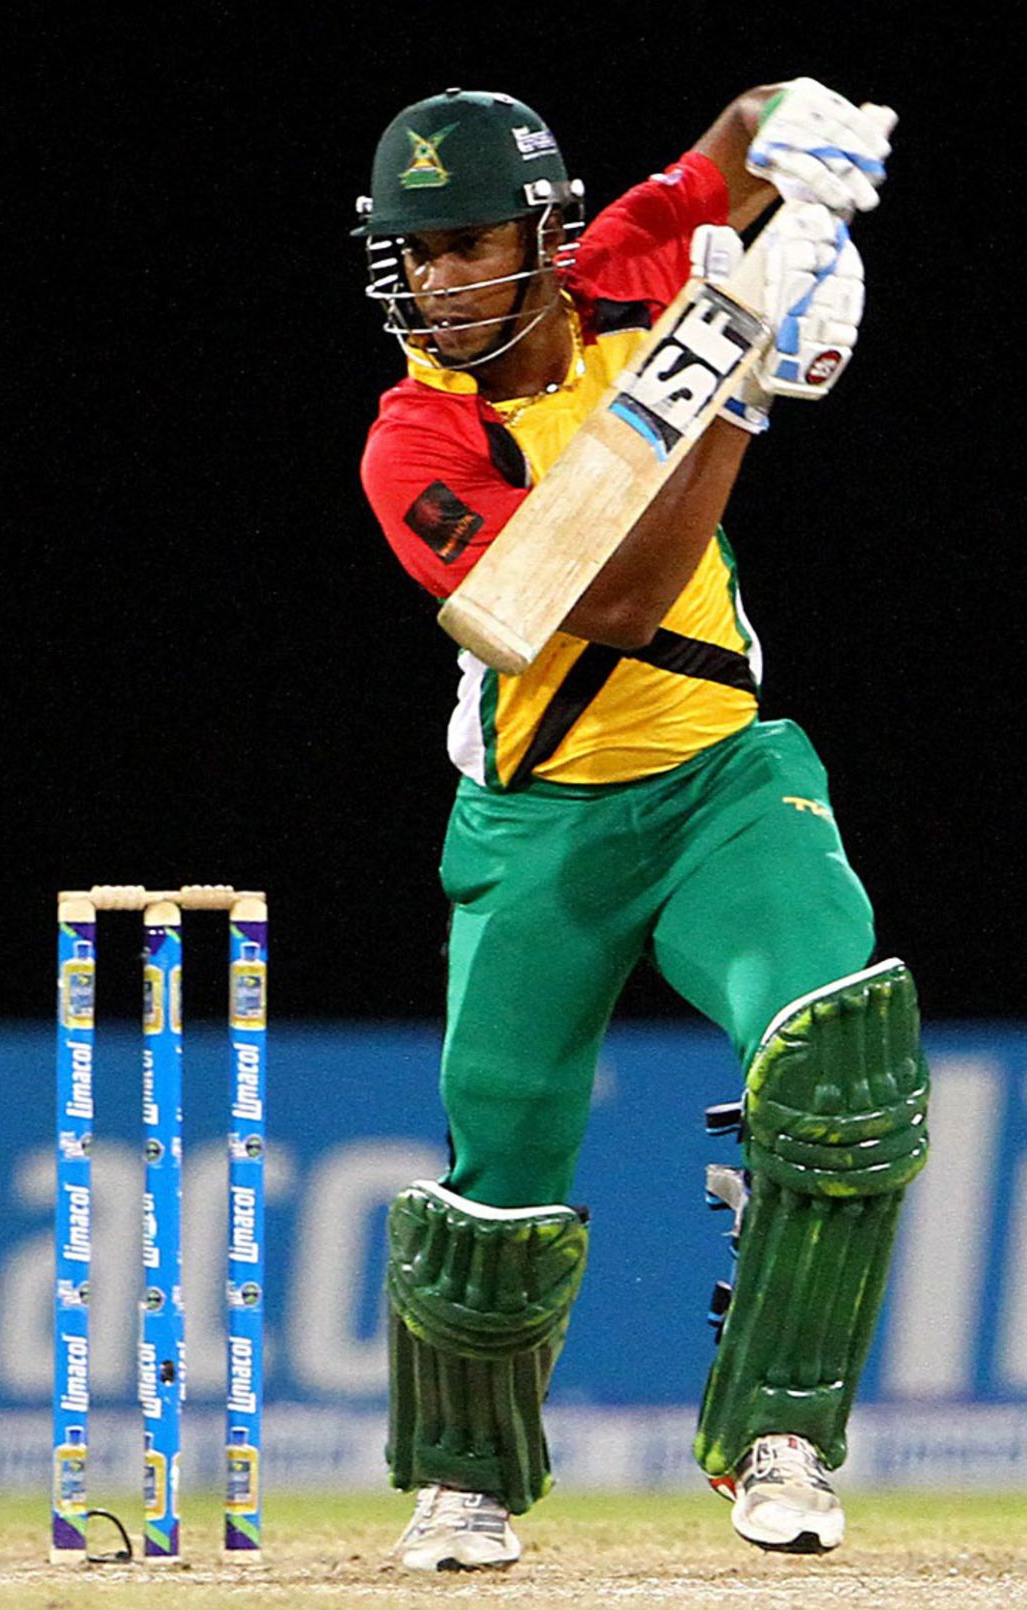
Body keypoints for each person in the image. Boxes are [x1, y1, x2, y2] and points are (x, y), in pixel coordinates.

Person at [354, 80, 929, 1570]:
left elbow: (735, 137)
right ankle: (467, 1477)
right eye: (413, 252)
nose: (436, 279)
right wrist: (738, 389)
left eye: (467, 242)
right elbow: (592, 598)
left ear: (545, 235)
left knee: (839, 1045)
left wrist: (806, 129)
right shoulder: (413, 441)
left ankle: (783, 1437)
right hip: (537, 826)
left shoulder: (619, 268)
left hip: (722, 783)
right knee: (501, 1170)